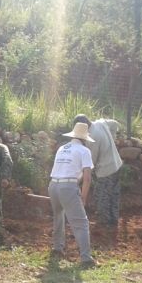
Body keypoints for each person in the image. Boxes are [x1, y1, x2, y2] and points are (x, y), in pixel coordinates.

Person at [48, 122, 97, 268]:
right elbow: (87, 178)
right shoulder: (84, 151)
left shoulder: (62, 148)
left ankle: (57, 248)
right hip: (68, 187)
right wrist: (83, 197)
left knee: (58, 217)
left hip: (53, 185)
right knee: (81, 223)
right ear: (85, 138)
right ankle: (86, 259)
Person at [73, 114, 123, 229]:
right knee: (114, 195)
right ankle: (113, 220)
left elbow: (91, 163)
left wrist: (78, 179)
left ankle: (104, 223)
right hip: (117, 164)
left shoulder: (92, 138)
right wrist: (112, 139)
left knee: (101, 196)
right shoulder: (100, 123)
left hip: (106, 171)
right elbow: (115, 124)